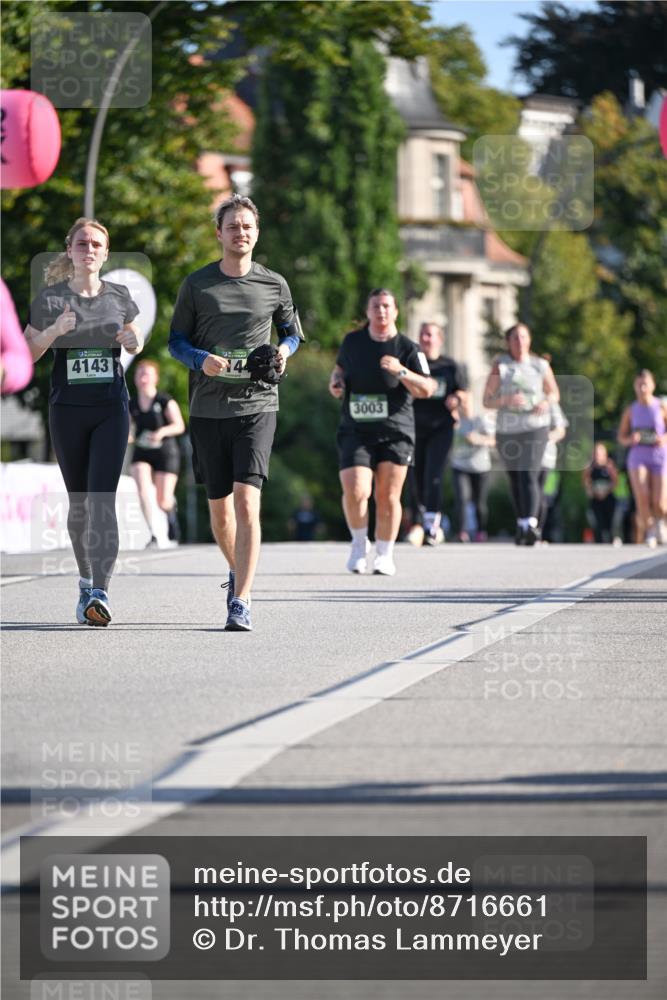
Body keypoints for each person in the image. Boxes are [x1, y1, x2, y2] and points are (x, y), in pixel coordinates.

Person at [169, 194, 303, 631]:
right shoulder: (197, 285)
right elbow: (176, 341)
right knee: (221, 512)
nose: (240, 233)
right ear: (219, 233)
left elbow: (293, 334)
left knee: (247, 503)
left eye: (247, 226)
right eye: (232, 226)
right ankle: (237, 570)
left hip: (257, 405)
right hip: (208, 407)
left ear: (256, 232)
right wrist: (198, 360)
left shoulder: (274, 284)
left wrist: (282, 353)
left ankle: (241, 599)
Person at [24, 218, 143, 625]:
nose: (89, 249)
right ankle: (85, 578)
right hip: (67, 409)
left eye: (96, 244)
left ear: (106, 253)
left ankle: (101, 592)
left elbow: (134, 335)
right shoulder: (52, 299)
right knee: (79, 504)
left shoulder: (120, 296)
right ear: (70, 250)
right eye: (82, 243)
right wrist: (54, 331)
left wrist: (134, 340)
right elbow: (26, 353)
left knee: (102, 500)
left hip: (111, 407)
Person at [329, 288, 435, 576]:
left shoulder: (409, 348)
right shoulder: (353, 342)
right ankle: (358, 543)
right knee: (356, 490)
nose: (382, 311)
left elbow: (428, 388)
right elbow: (339, 370)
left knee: (388, 495)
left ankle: (385, 554)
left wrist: (402, 371)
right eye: (376, 306)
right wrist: (335, 382)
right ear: (368, 311)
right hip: (356, 429)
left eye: (387, 306)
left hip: (395, 431)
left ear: (396, 311)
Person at [483, 322, 560, 545]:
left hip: (536, 426)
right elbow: (486, 400)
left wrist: (546, 401)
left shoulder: (540, 365)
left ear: (530, 340)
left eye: (524, 337)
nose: (520, 342)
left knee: (529, 473)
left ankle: (530, 524)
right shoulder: (501, 365)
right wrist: (505, 400)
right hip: (507, 429)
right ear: (508, 342)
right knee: (516, 478)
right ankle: (522, 525)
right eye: (515, 338)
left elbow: (554, 392)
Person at [405, 322, 467, 546]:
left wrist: (457, 399)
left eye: (430, 334)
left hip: (441, 428)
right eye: (423, 334)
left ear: (440, 339)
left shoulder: (450, 366)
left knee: (434, 474)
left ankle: (431, 524)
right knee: (415, 477)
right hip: (414, 427)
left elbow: (463, 393)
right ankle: (417, 521)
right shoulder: (412, 362)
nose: (426, 338)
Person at [129, 359, 185, 546]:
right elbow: (128, 429)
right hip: (142, 451)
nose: (143, 377)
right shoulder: (132, 403)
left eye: (147, 373)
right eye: (139, 373)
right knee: (143, 490)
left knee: (163, 499)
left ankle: (171, 516)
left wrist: (160, 432)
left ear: (155, 378)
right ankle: (151, 533)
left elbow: (179, 426)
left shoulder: (164, 400)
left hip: (165, 451)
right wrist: (127, 437)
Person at [617, 370, 667, 546]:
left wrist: (663, 438)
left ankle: (661, 522)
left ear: (653, 385)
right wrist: (631, 439)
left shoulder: (661, 406)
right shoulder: (631, 410)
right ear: (635, 386)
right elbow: (621, 437)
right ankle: (650, 529)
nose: (643, 388)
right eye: (639, 384)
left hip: (659, 455)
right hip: (638, 456)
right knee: (642, 496)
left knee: (660, 502)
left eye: (646, 384)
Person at [450, 396, 495, 543]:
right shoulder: (454, 421)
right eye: (460, 403)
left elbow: (494, 440)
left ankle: (481, 531)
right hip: (459, 466)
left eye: (465, 402)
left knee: (479, 503)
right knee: (462, 499)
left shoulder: (479, 420)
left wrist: (478, 439)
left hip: (480, 467)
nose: (463, 406)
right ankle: (461, 532)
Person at [537, 398, 568, 543]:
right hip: (524, 457)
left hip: (545, 458)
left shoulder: (551, 404)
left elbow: (560, 430)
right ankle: (527, 527)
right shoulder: (521, 399)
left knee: (542, 496)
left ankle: (540, 531)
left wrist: (545, 437)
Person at [583, 442, 618, 544]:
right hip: (595, 499)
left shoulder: (609, 465)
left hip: (608, 498)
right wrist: (593, 491)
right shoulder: (590, 467)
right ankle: (600, 542)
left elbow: (615, 481)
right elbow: (586, 481)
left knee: (610, 523)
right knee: (598, 523)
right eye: (596, 453)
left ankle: (612, 540)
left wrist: (605, 491)